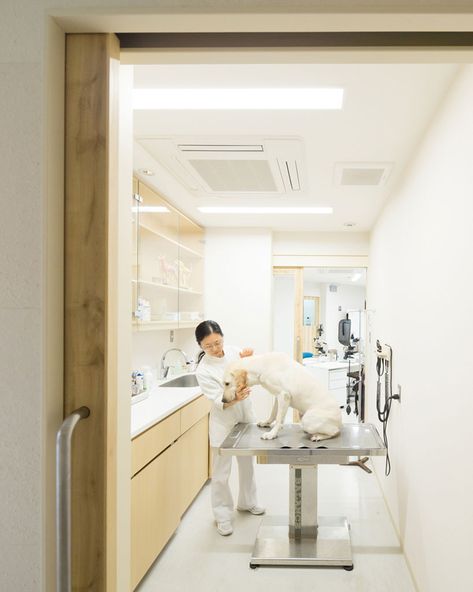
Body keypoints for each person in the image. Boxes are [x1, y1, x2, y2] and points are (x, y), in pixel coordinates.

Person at [195, 320, 265, 536]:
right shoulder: (203, 370)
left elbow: (250, 375)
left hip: (245, 416)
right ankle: (222, 515)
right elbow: (219, 400)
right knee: (221, 474)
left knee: (247, 464)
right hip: (223, 423)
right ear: (200, 346)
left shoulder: (234, 353)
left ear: (223, 337)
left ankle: (247, 502)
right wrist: (235, 398)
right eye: (209, 346)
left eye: (218, 342)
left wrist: (250, 359)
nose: (216, 349)